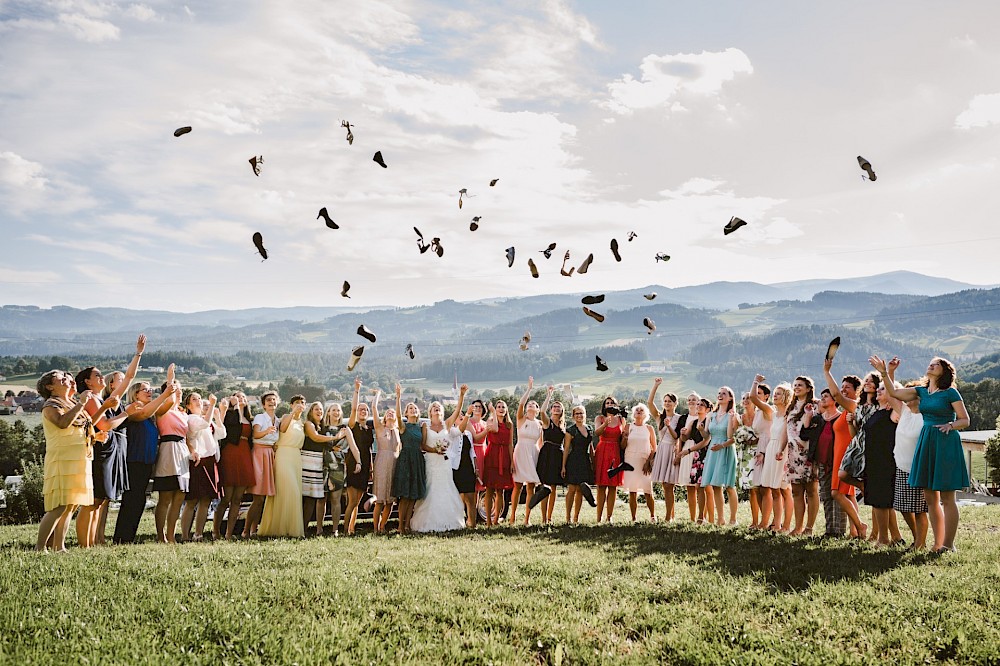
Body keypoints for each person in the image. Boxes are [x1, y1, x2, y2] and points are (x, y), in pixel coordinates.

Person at [872, 355, 970, 554]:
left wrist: (950, 426)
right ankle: (937, 543)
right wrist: (884, 373)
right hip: (926, 441)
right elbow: (894, 392)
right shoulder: (922, 392)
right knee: (930, 497)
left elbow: (965, 420)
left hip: (945, 441)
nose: (931, 365)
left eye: (937, 364)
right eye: (931, 363)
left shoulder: (950, 392)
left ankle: (948, 544)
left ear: (944, 371)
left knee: (947, 496)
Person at [74, 336, 144, 546]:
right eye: (97, 375)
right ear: (87, 381)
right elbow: (104, 425)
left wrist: (138, 353)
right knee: (94, 501)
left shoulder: (105, 399)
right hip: (100, 449)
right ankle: (85, 543)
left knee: (101, 500)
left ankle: (94, 541)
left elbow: (130, 378)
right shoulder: (94, 400)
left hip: (110, 448)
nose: (102, 376)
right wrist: (126, 414)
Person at [34, 370, 112, 552]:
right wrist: (82, 403)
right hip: (62, 459)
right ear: (49, 386)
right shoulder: (51, 405)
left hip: (78, 459)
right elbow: (62, 423)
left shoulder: (71, 403)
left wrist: (95, 437)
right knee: (59, 505)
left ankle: (59, 546)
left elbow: (83, 428)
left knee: (71, 505)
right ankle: (40, 547)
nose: (66, 380)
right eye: (61, 379)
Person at [113, 379, 177, 544]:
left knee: (139, 499)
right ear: (135, 394)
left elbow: (169, 403)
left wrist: (171, 379)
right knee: (132, 499)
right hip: (135, 460)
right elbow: (143, 414)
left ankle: (128, 537)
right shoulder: (133, 409)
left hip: (146, 462)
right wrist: (164, 394)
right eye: (145, 390)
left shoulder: (151, 413)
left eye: (150, 389)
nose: (149, 392)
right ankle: (121, 538)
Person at [411, 388, 468, 533]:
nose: (436, 410)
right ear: (430, 412)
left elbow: (456, 412)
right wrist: (434, 450)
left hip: (444, 462)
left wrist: (461, 396)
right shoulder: (425, 426)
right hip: (431, 461)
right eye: (434, 408)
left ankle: (448, 520)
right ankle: (428, 521)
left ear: (441, 412)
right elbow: (422, 445)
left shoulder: (446, 424)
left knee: (445, 487)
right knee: (431, 489)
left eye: (438, 408)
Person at [823, 361, 867, 538]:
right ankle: (854, 530)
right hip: (839, 455)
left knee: (836, 493)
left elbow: (835, 395)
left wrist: (827, 372)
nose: (842, 390)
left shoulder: (853, 405)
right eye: (842, 387)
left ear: (857, 390)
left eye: (847, 387)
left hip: (846, 455)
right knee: (848, 495)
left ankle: (860, 525)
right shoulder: (844, 411)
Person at [889, 367, 930, 550]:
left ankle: (920, 544)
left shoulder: (926, 417)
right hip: (901, 466)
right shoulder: (904, 412)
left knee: (920, 509)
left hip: (919, 467)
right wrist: (888, 372)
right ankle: (917, 538)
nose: (904, 397)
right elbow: (891, 395)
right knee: (904, 506)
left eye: (908, 394)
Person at [152, 366, 191, 544]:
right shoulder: (162, 409)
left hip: (182, 452)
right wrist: (170, 380)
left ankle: (171, 535)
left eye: (180, 390)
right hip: (168, 451)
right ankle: (161, 536)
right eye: (177, 390)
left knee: (179, 496)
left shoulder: (182, 414)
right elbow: (168, 402)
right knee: (166, 496)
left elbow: (188, 435)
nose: (180, 393)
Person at [800, 387, 845, 538]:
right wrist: (808, 415)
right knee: (826, 495)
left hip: (837, 461)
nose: (823, 398)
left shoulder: (840, 418)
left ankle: (839, 530)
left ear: (835, 400)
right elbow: (804, 434)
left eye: (827, 396)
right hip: (821, 462)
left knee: (838, 495)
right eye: (822, 396)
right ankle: (829, 530)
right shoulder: (819, 419)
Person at [259, 395, 306, 538]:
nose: (300, 405)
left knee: (295, 492)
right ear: (291, 405)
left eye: (302, 403)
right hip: (283, 455)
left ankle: (290, 529)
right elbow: (283, 429)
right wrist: (292, 414)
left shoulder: (303, 423)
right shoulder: (286, 416)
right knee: (288, 489)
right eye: (297, 403)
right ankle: (278, 528)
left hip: (296, 457)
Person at [180, 392, 226, 541]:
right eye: (194, 399)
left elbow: (222, 433)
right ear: (188, 405)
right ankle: (185, 535)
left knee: (206, 499)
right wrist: (212, 405)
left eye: (200, 398)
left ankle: (198, 533)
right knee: (192, 500)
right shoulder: (191, 419)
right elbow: (204, 424)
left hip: (210, 460)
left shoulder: (205, 419)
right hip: (197, 461)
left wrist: (218, 415)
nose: (199, 401)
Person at [302, 401, 350, 537]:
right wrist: (335, 439)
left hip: (334, 466)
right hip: (318, 465)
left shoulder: (323, 426)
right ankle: (316, 529)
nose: (319, 412)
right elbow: (317, 439)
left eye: (321, 410)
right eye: (316, 409)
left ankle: (334, 529)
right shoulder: (316, 426)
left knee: (334, 499)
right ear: (311, 411)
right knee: (318, 498)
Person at [863, 384, 903, 546]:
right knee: (881, 501)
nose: (878, 390)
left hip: (885, 460)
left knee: (881, 500)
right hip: (873, 460)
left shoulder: (893, 412)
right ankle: (896, 537)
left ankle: (883, 539)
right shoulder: (877, 411)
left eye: (883, 389)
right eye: (878, 388)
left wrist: (889, 376)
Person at [215, 391, 255, 540]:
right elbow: (235, 428)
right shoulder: (232, 416)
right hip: (231, 453)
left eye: (243, 397)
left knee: (238, 498)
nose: (241, 399)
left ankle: (229, 533)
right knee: (227, 497)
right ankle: (216, 531)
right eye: (237, 397)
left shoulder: (249, 419)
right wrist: (235, 407)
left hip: (244, 454)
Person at [783, 376, 820, 536]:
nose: (796, 387)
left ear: (808, 388)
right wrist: (781, 449)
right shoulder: (790, 408)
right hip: (793, 453)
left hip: (809, 452)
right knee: (796, 491)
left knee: (811, 490)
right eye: (795, 385)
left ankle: (809, 527)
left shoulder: (816, 405)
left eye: (800, 385)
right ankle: (797, 527)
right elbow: (786, 431)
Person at [701, 388, 739, 525]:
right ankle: (720, 518)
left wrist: (730, 418)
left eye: (724, 393)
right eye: (719, 393)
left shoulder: (733, 415)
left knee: (729, 485)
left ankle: (733, 519)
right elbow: (706, 435)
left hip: (726, 449)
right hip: (713, 450)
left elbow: (731, 437)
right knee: (715, 485)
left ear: (730, 398)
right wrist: (701, 430)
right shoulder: (711, 414)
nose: (720, 395)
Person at [244, 391, 280, 538]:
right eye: (268, 400)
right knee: (257, 496)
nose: (271, 402)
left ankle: (254, 529)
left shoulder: (277, 421)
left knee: (263, 498)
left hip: (270, 455)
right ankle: (246, 530)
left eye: (274, 399)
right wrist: (266, 431)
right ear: (264, 404)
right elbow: (256, 434)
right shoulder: (260, 417)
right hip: (259, 454)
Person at [393, 393, 428, 534]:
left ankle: (408, 525)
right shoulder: (403, 427)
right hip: (406, 460)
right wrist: (398, 397)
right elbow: (397, 416)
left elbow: (423, 445)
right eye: (410, 408)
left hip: (417, 460)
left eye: (415, 408)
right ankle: (400, 526)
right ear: (406, 413)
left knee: (413, 495)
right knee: (405, 496)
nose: (413, 410)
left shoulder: (421, 427)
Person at [646, 379, 681, 521]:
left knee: (669, 485)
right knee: (664, 485)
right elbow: (650, 403)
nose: (667, 403)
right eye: (665, 401)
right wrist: (655, 385)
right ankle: (670, 514)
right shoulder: (659, 417)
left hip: (672, 450)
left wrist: (669, 426)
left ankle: (668, 517)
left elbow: (677, 436)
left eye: (670, 401)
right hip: (662, 450)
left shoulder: (679, 419)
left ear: (675, 404)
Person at [322, 403, 358, 536]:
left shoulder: (345, 429)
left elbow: (353, 448)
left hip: (338, 466)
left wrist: (358, 462)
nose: (336, 412)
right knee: (321, 499)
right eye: (333, 410)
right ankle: (319, 529)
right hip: (323, 465)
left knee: (335, 499)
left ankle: (335, 529)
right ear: (329, 413)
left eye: (338, 410)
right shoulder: (322, 428)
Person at [510, 377, 542, 525]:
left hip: (533, 453)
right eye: (530, 403)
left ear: (537, 409)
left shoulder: (540, 424)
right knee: (517, 485)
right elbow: (521, 403)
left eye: (534, 404)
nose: (531, 404)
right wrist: (529, 389)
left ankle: (527, 518)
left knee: (530, 486)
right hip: (521, 451)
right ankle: (512, 516)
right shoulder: (521, 419)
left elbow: (541, 443)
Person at [346, 377, 375, 536]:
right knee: (351, 501)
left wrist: (370, 467)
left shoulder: (369, 429)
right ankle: (344, 530)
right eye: (361, 409)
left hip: (365, 466)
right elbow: (352, 409)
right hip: (353, 463)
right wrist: (357, 390)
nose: (363, 411)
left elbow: (369, 449)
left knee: (357, 502)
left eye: (366, 410)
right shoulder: (353, 425)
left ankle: (351, 528)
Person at [370, 386, 402, 534]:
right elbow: (374, 408)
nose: (390, 413)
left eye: (392, 412)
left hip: (395, 464)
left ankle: (383, 526)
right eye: (388, 412)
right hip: (382, 462)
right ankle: (375, 528)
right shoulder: (379, 428)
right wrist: (378, 394)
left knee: (390, 500)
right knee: (379, 499)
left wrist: (398, 396)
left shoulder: (398, 429)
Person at [676, 394, 711, 523]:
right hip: (696, 456)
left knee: (702, 486)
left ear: (707, 409)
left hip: (705, 454)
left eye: (701, 404)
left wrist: (688, 450)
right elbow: (685, 438)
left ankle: (702, 516)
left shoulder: (708, 421)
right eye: (698, 404)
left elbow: (706, 440)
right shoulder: (693, 422)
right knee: (696, 486)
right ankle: (697, 517)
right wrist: (682, 434)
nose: (698, 406)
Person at [746, 377, 775, 530]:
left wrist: (755, 381)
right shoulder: (758, 412)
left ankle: (766, 522)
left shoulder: (767, 410)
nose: (756, 396)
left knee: (766, 487)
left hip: (768, 447)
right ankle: (762, 521)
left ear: (766, 397)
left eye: (759, 393)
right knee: (757, 485)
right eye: (756, 393)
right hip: (759, 447)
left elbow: (751, 398)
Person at [621, 404, 657, 522]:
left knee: (648, 490)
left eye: (641, 410)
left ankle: (652, 516)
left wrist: (649, 461)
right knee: (632, 491)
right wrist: (625, 438)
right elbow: (622, 446)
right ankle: (633, 518)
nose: (639, 412)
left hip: (644, 460)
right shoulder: (628, 427)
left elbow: (654, 448)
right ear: (633, 413)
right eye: (637, 410)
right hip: (630, 460)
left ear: (646, 414)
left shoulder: (649, 428)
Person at [536, 386, 565, 526]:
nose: (556, 408)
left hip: (558, 454)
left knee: (554, 488)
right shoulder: (547, 422)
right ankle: (543, 518)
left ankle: (549, 517)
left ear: (562, 411)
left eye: (559, 407)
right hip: (547, 454)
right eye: (554, 406)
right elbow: (541, 411)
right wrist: (549, 396)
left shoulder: (563, 426)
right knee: (545, 487)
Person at [482, 400, 514, 527]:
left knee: (501, 491)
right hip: (492, 455)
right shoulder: (490, 421)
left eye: (503, 407)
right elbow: (494, 429)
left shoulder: (509, 425)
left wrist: (511, 462)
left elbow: (511, 444)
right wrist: (493, 413)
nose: (501, 409)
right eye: (498, 407)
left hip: (504, 456)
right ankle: (488, 521)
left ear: (506, 410)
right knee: (489, 489)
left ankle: (496, 519)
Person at [593, 396, 625, 523]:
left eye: (612, 403)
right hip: (603, 451)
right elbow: (597, 433)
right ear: (604, 406)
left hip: (615, 452)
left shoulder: (621, 420)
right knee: (601, 486)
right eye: (607, 403)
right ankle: (599, 517)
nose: (609, 405)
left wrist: (626, 438)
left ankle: (609, 516)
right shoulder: (599, 418)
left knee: (613, 486)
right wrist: (605, 424)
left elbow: (622, 441)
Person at [453, 394, 482, 528]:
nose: (460, 416)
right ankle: (459, 522)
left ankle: (473, 523)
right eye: (458, 415)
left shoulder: (469, 434)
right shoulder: (452, 432)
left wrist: (476, 467)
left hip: (468, 467)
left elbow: (472, 452)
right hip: (456, 468)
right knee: (459, 497)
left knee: (471, 497)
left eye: (462, 415)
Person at [562, 404, 594, 524]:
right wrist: (563, 466)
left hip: (585, 461)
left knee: (581, 489)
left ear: (585, 415)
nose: (579, 415)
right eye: (577, 413)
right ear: (573, 416)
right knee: (572, 489)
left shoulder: (590, 429)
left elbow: (591, 447)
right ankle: (568, 518)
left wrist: (593, 463)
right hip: (574, 460)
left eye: (581, 413)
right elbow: (566, 449)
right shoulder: (570, 430)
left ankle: (576, 518)